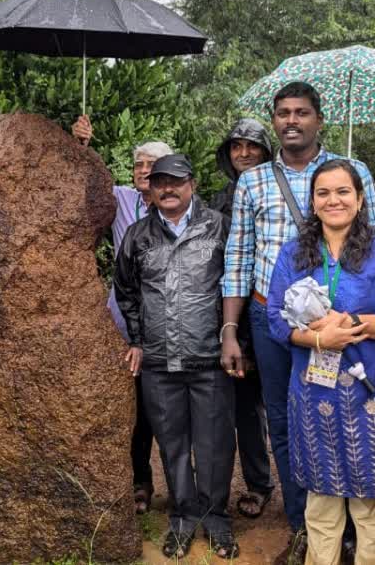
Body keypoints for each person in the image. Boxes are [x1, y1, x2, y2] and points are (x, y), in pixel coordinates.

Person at [221, 81, 375, 565]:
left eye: (301, 113)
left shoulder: (350, 172)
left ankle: (352, 530)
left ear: (318, 118)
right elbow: (238, 256)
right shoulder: (252, 181)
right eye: (282, 113)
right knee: (287, 419)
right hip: (272, 318)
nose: (291, 121)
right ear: (274, 121)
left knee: (349, 412)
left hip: (343, 317)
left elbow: (373, 240)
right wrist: (231, 330)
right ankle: (305, 529)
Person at [266, 159, 375, 564]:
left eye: (343, 191)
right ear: (312, 202)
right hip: (315, 391)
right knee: (322, 502)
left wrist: (352, 323)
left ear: (360, 198)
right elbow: (275, 318)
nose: (334, 200)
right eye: (324, 193)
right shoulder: (294, 251)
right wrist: (318, 337)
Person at [114, 154, 238, 559]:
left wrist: (236, 344)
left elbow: (236, 285)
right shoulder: (137, 235)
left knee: (215, 444)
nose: (168, 189)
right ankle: (183, 518)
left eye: (176, 181)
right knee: (172, 444)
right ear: (149, 188)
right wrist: (137, 338)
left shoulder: (219, 228)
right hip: (159, 361)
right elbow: (127, 292)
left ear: (193, 184)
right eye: (160, 182)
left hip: (210, 358)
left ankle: (217, 517)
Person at [72, 114, 172, 516]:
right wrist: (81, 147)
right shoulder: (122, 201)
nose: (144, 171)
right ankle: (140, 482)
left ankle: (184, 489)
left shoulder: (176, 206)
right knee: (133, 408)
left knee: (165, 406)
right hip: (124, 319)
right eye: (138, 165)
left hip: (168, 320)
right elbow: (84, 189)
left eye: (152, 165)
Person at [210, 118, 276, 520]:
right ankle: (258, 484)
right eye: (237, 147)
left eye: (252, 146)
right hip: (231, 315)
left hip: (271, 310)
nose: (245, 153)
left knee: (288, 407)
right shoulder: (218, 200)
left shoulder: (282, 194)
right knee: (244, 407)